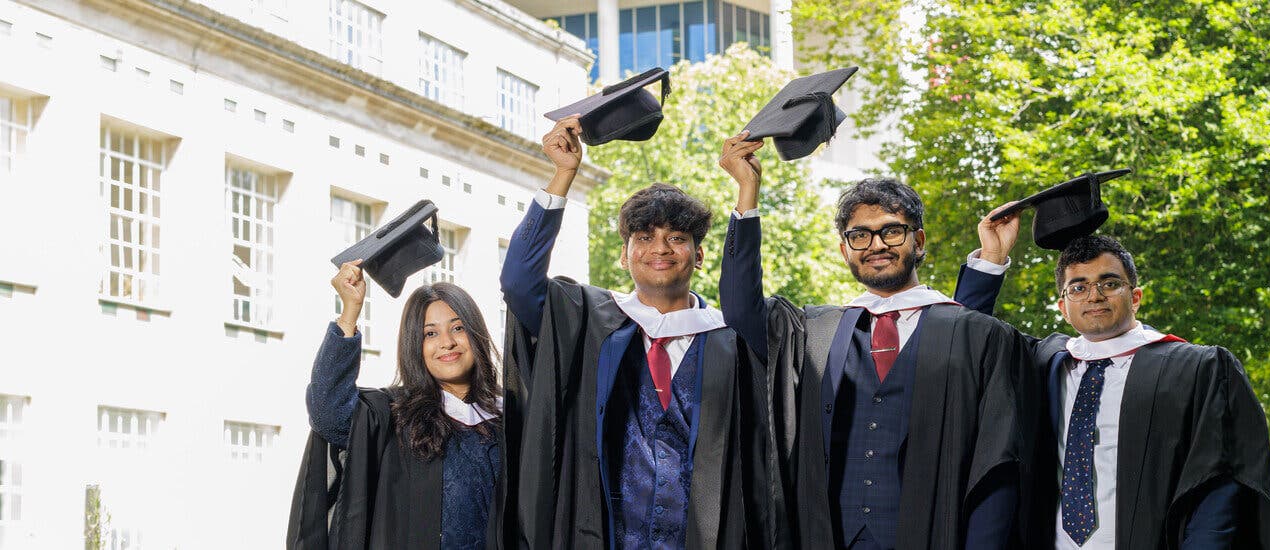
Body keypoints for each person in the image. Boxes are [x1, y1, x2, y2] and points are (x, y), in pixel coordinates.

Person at [718, 133, 1029, 550]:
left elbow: (968, 345)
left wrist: (989, 262)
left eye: (891, 232)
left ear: (918, 241)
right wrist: (747, 193)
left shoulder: (963, 332)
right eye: (859, 236)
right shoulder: (816, 331)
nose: (876, 245)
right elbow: (741, 311)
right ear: (845, 250)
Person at [496, 116, 786, 549]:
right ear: (624, 255)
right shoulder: (588, 322)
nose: (660, 248)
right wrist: (563, 174)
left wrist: (747, 192)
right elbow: (519, 282)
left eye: (677, 237)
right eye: (644, 237)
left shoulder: (731, 339)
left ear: (699, 255)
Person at [954, 206, 1270, 549]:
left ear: (1136, 297)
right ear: (1063, 307)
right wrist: (992, 257)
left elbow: (1218, 486)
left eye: (1110, 283)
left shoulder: (1197, 370)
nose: (1094, 295)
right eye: (1078, 287)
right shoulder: (1043, 364)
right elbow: (968, 342)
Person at [288, 260, 504, 549]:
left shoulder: (509, 419)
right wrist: (350, 312)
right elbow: (328, 412)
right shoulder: (394, 415)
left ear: (475, 334)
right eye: (430, 333)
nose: (447, 342)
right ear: (415, 345)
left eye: (458, 328)